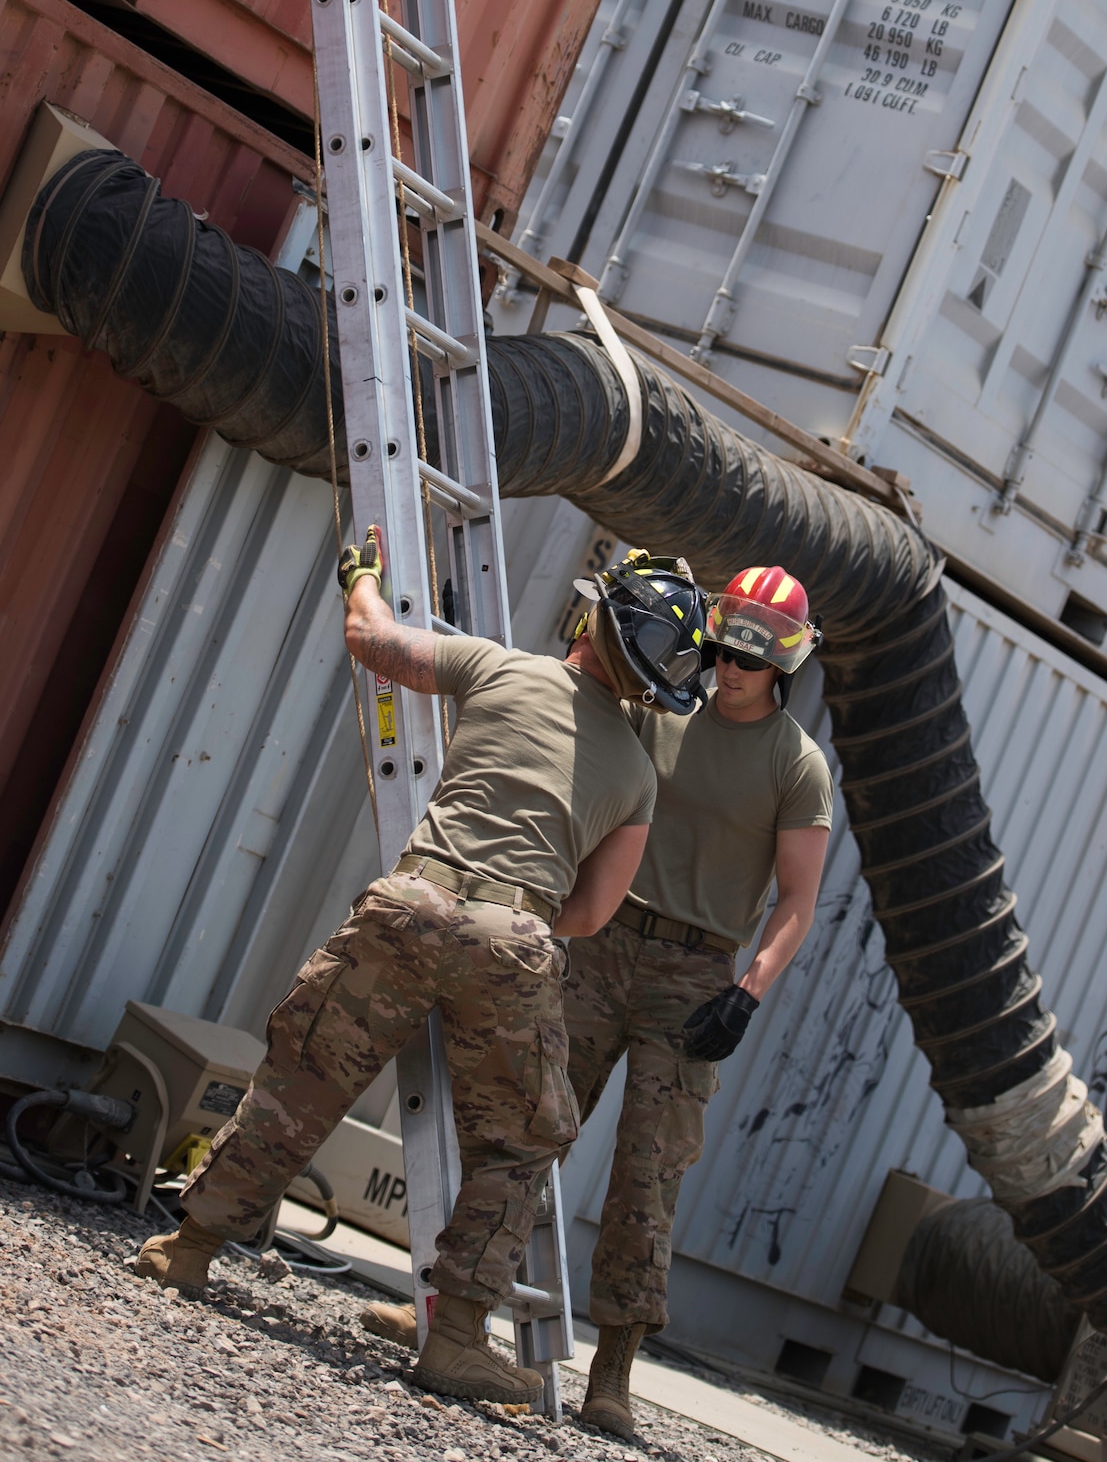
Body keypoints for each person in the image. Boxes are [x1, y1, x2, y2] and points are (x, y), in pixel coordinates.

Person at [135, 534, 708, 1409]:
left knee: (307, 1075)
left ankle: (190, 1248)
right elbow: (590, 915)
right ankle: (455, 1339)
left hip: (411, 902)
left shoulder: (500, 669)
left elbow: (372, 642)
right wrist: (503, 921)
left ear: (590, 618)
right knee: (522, 1139)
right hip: (515, 935)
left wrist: (361, 576)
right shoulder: (636, 771)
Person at [363, 564, 834, 1437]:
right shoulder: (655, 713)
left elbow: (797, 902)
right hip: (599, 943)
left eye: (750, 659)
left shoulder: (795, 767)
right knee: (522, 1128)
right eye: (722, 649)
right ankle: (452, 1317)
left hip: (695, 981)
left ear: (785, 666)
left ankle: (610, 1378)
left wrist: (748, 993)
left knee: (646, 1179)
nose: (730, 668)